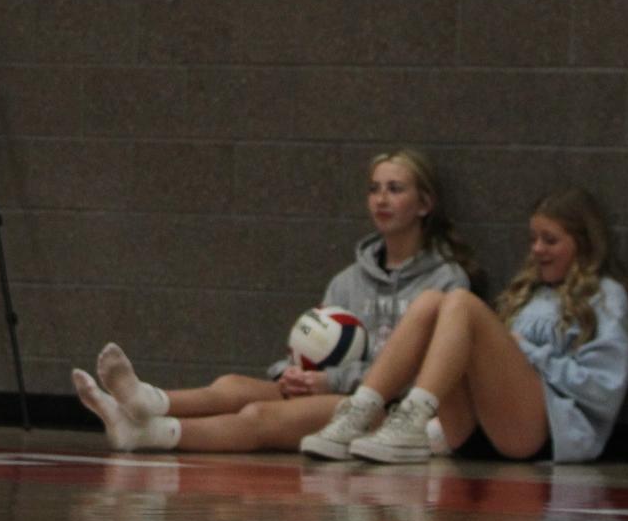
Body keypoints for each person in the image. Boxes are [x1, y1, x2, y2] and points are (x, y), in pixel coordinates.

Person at [71, 148, 478, 453]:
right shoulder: (348, 280)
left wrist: (331, 380)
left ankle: (148, 434)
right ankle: (147, 400)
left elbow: (431, 372)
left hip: (389, 410)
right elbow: (314, 345)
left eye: (395, 189)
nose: (381, 199)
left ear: (424, 204)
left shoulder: (446, 280)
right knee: (232, 386)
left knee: (259, 416)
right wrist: (292, 372)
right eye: (374, 189)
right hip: (330, 392)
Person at [299, 186, 628, 465]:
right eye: (533, 238)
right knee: (431, 300)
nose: (537, 250)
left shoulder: (606, 296)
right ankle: (361, 410)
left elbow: (604, 390)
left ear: (582, 243)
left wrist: (528, 351)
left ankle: (412, 419)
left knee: (460, 301)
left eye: (550, 240)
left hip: (545, 433)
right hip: (475, 429)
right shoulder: (530, 292)